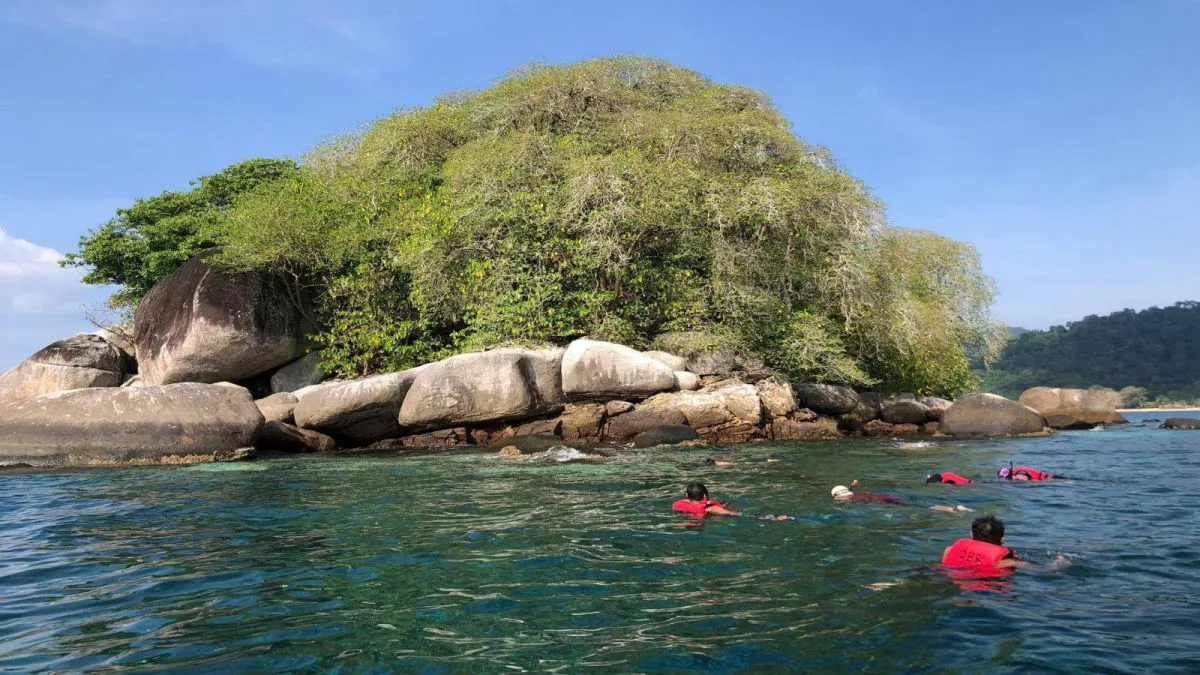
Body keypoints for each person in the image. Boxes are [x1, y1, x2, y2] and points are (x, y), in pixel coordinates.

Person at [833, 480, 971, 512]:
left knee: (920, 506)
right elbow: (849, 492)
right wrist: (852, 486)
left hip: (886, 501)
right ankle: (951, 507)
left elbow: (845, 497)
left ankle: (949, 509)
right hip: (886, 497)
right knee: (916, 504)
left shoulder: (848, 498)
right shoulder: (852, 494)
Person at [672, 482, 792, 520]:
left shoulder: (682, 505)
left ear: (687, 496)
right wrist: (773, 519)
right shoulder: (711, 508)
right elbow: (742, 516)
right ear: (704, 497)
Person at [942, 515, 1021, 569]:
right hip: (989, 586)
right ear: (1002, 540)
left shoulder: (948, 550)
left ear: (972, 535)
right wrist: (1014, 559)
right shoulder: (1006, 563)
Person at [673, 482, 738, 517]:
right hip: (699, 525)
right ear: (705, 496)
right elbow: (733, 514)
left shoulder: (680, 504)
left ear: (687, 495)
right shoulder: (709, 508)